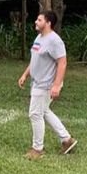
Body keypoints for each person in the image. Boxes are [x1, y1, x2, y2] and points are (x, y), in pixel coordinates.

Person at [18, 9, 77, 160]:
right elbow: (35, 60)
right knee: (44, 111)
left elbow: (62, 62)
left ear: (48, 23)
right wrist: (25, 74)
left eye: (39, 20)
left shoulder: (54, 40)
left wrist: (56, 85)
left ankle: (37, 149)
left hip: (45, 84)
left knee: (35, 114)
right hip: (37, 82)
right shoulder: (39, 38)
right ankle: (67, 140)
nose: (36, 22)